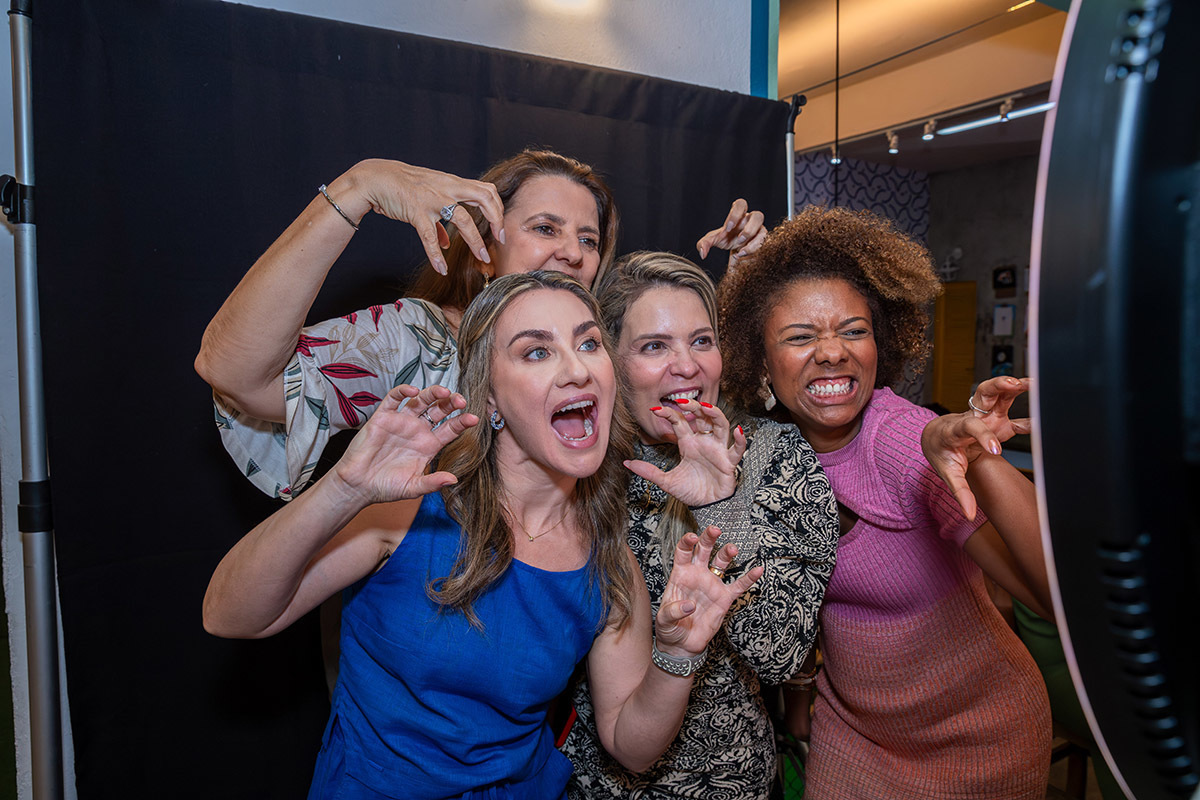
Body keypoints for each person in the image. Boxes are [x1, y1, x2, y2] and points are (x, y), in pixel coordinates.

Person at [203, 270, 762, 800]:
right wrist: (344, 489)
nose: (578, 369)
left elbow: (630, 745)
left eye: (589, 344)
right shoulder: (411, 509)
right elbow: (230, 616)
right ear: (490, 397)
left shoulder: (610, 563)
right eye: (537, 351)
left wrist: (675, 653)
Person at [718, 206, 1053, 800]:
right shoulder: (766, 449)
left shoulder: (899, 440)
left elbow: (1051, 598)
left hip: (977, 739)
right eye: (800, 337)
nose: (832, 352)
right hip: (855, 733)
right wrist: (800, 693)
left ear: (881, 341)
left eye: (853, 330)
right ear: (762, 365)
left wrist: (975, 455)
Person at [195, 151, 764, 499]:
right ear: (485, 242)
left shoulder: (596, 355)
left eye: (588, 240)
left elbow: (697, 393)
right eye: (546, 227)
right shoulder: (416, 343)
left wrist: (745, 293)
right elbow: (236, 373)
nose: (572, 253)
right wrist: (357, 188)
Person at [560, 252, 839, 798]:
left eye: (702, 341)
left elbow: (779, 653)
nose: (686, 366)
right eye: (654, 346)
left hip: (728, 778)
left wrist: (719, 506)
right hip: (592, 780)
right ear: (609, 362)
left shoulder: (773, 456)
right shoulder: (582, 464)